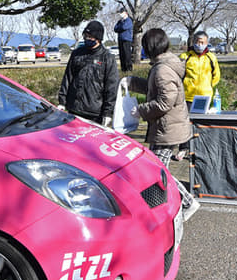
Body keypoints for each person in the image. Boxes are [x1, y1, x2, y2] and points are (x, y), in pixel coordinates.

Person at [129, 27, 197, 219]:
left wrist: (140, 110)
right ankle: (161, 206)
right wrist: (133, 82)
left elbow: (164, 101)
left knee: (158, 172)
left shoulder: (162, 69)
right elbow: (156, 89)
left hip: (167, 129)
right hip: (168, 127)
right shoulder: (165, 65)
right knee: (157, 169)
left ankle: (187, 202)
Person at [58, 19, 119, 125]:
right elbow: (67, 78)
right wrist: (62, 101)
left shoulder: (107, 58)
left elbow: (111, 88)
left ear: (98, 38)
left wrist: (108, 112)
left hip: (94, 113)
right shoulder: (77, 54)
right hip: (73, 109)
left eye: (90, 36)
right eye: (86, 36)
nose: (87, 39)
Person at [181, 30, 222, 104]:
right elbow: (178, 75)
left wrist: (208, 86)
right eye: (197, 42)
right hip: (188, 97)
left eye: (202, 42)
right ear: (193, 42)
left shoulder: (211, 58)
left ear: (207, 43)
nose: (200, 45)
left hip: (205, 96)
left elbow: (216, 76)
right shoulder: (184, 57)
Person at [114, 7, 135, 72]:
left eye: (121, 13)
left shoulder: (129, 20)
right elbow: (115, 28)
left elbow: (124, 27)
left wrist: (119, 28)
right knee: (122, 55)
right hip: (120, 39)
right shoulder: (120, 21)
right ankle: (123, 69)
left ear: (125, 13)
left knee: (127, 55)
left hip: (127, 40)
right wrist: (120, 28)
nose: (120, 14)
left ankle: (129, 69)